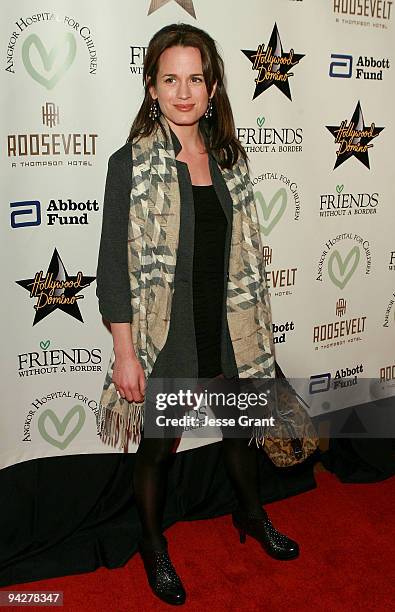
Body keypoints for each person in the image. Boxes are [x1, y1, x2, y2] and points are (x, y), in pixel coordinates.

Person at [96, 23, 299, 607]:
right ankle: (154, 545)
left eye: (196, 79)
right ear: (152, 87)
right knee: (159, 449)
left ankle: (253, 517)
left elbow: (246, 258)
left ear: (212, 88)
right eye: (170, 79)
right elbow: (113, 267)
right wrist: (125, 354)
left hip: (230, 329)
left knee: (241, 435)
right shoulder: (129, 165)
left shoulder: (232, 162)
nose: (184, 92)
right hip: (168, 337)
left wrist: (258, 333)